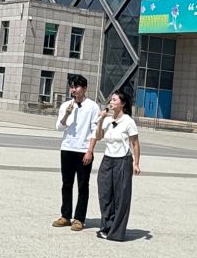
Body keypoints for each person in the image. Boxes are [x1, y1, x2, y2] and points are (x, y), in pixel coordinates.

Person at [90, 89, 141, 241]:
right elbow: (98, 136)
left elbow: (135, 143)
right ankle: (106, 226)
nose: (111, 102)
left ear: (122, 104)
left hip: (123, 160)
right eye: (111, 100)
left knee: (121, 196)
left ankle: (117, 232)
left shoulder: (128, 122)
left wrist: (136, 163)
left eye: (114, 100)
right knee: (105, 194)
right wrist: (100, 120)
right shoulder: (107, 120)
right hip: (108, 159)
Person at [53, 76, 99, 230]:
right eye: (71, 87)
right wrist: (67, 114)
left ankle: (79, 218)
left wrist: (90, 151)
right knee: (66, 184)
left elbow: (94, 131)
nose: (73, 90)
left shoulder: (92, 107)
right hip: (67, 148)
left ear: (84, 88)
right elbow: (59, 127)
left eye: (76, 87)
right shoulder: (66, 105)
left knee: (83, 185)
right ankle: (65, 216)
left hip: (83, 150)